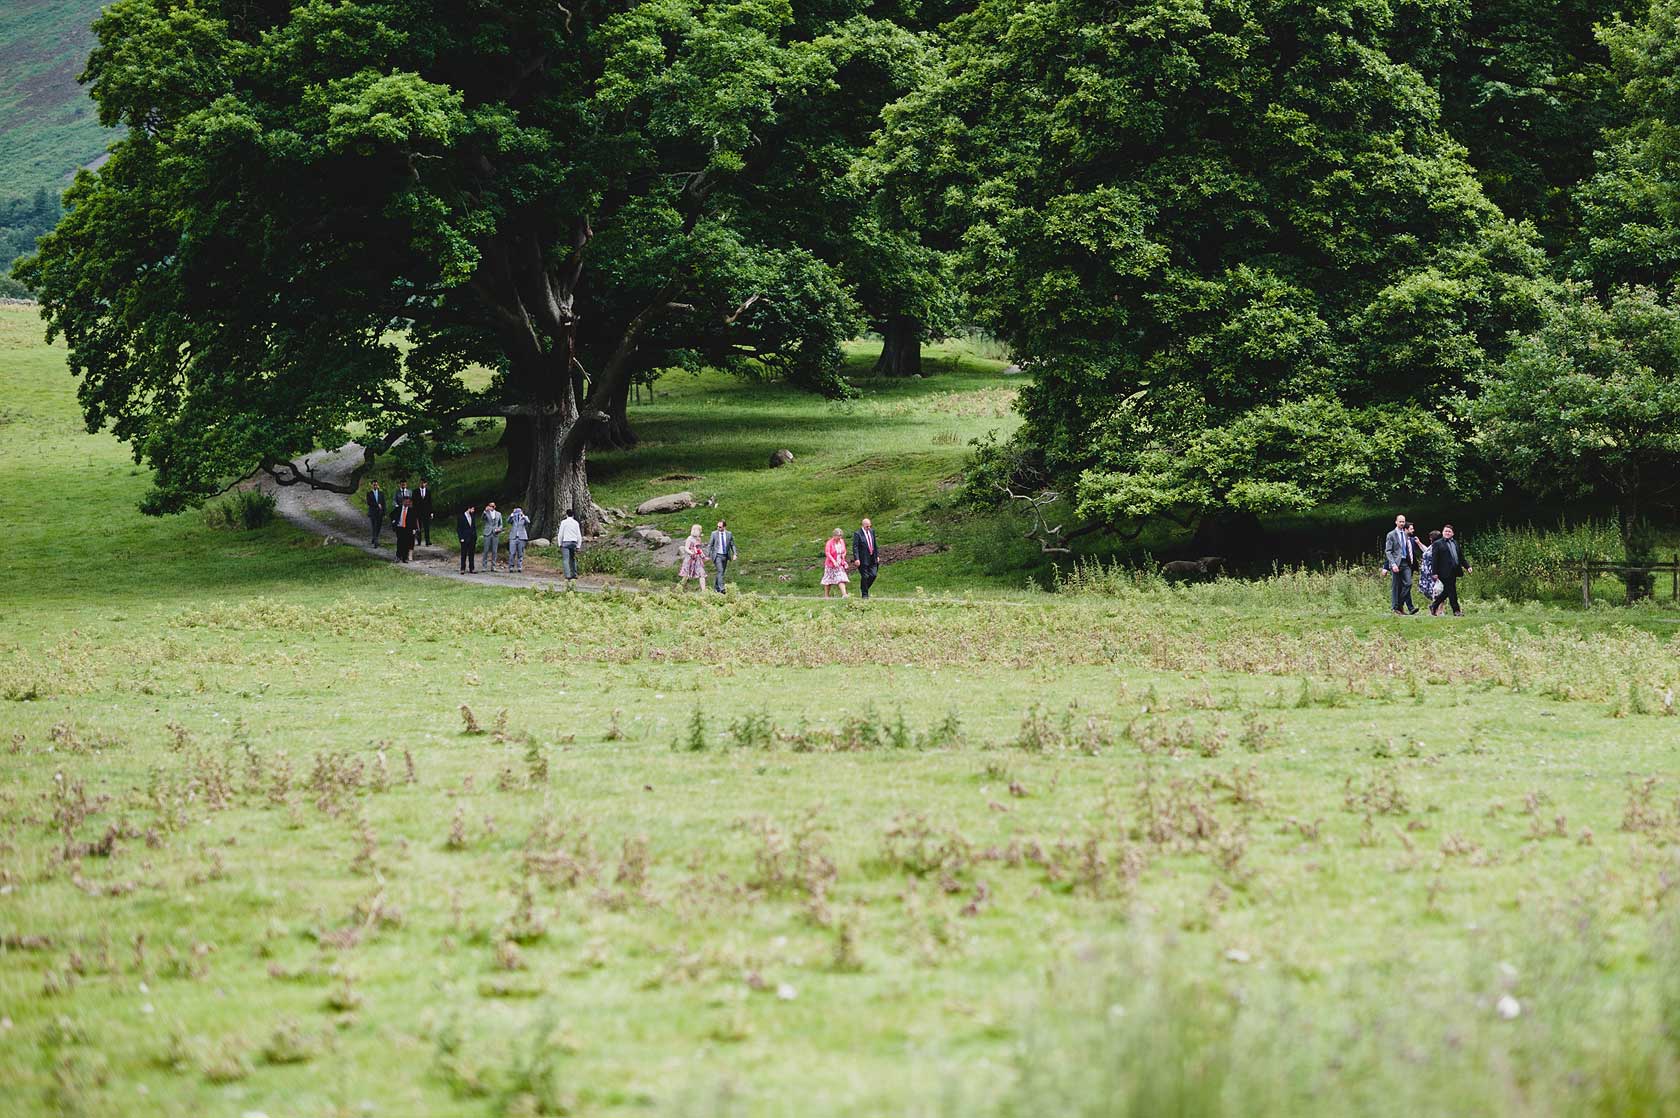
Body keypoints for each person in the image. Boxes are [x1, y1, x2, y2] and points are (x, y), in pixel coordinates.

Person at [1430, 524, 1472, 616]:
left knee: (1447, 591)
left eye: (1449, 531)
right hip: (1443, 571)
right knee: (1452, 590)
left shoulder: (1455, 543)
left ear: (1452, 533)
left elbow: (1461, 557)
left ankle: (1434, 605)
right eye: (1445, 531)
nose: (1447, 533)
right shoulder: (1438, 543)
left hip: (1454, 571)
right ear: (1443, 532)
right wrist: (1434, 572)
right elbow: (1434, 559)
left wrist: (1467, 566)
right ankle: (1456, 610)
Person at [1383, 513, 1411, 616]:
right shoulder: (1391, 534)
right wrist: (1393, 564)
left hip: (1405, 562)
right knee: (1396, 586)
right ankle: (1395, 608)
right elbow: (1388, 551)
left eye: (1403, 521)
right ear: (1396, 522)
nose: (1402, 523)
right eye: (1400, 521)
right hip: (1396, 563)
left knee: (1408, 584)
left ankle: (1399, 604)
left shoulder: (1405, 534)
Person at [852, 517, 880, 599]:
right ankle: (865, 594)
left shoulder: (872, 532)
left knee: (873, 575)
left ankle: (864, 588)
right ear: (863, 525)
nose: (869, 528)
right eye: (867, 526)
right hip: (863, 558)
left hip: (872, 557)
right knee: (865, 576)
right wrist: (856, 558)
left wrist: (877, 555)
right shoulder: (857, 534)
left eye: (869, 526)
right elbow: (855, 547)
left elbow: (875, 544)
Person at [707, 520, 737, 593]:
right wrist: (708, 555)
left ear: (724, 527)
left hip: (725, 555)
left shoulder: (729, 534)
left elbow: (732, 544)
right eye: (717, 526)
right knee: (720, 570)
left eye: (720, 527)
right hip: (717, 555)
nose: (718, 528)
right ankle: (721, 588)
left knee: (721, 572)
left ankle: (716, 587)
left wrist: (735, 554)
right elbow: (710, 545)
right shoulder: (714, 534)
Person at [822, 528, 850, 599]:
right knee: (828, 580)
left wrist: (843, 558)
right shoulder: (829, 543)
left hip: (839, 563)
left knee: (841, 578)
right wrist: (833, 561)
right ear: (834, 536)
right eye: (838, 536)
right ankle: (826, 596)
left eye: (840, 536)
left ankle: (844, 594)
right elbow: (827, 553)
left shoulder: (842, 541)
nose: (839, 537)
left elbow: (844, 551)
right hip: (830, 564)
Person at [557, 508, 583, 583]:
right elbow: (579, 535)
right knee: (573, 558)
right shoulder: (576, 523)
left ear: (566, 514)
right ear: (573, 515)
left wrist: (560, 543)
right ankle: (574, 574)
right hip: (574, 542)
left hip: (565, 542)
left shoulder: (563, 522)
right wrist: (578, 546)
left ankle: (567, 575)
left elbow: (560, 534)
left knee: (565, 559)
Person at [678, 524, 707, 590]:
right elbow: (686, 548)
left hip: (697, 559)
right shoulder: (689, 538)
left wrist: (703, 555)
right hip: (690, 559)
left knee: (701, 573)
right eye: (699, 530)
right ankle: (680, 587)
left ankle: (704, 591)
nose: (700, 532)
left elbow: (699, 548)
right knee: (687, 574)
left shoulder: (698, 539)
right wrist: (691, 552)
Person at [1419, 529, 1441, 612]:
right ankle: (1435, 608)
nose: (1429, 539)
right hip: (1427, 573)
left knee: (1437, 591)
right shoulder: (1432, 546)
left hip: (1434, 572)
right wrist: (1419, 543)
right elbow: (1426, 551)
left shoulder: (1438, 547)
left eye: (1431, 537)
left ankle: (1439, 610)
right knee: (1431, 591)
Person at [393, 496, 418, 562]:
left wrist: (414, 529)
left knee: (406, 543)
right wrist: (394, 521)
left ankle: (404, 557)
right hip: (400, 527)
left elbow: (414, 520)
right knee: (400, 542)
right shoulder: (398, 509)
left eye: (408, 502)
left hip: (408, 528)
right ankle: (398, 556)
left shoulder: (411, 510)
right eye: (406, 502)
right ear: (403, 501)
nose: (407, 503)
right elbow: (392, 515)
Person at [480, 501, 503, 572]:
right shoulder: (486, 512)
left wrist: (499, 528)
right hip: (487, 532)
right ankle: (484, 566)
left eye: (492, 506)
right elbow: (482, 519)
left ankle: (493, 566)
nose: (491, 507)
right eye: (490, 506)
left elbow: (501, 524)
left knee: (494, 551)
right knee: (486, 550)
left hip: (495, 533)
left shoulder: (499, 514)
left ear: (495, 506)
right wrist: (484, 511)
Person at [507, 505, 531, 573]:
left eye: (519, 511)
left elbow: (528, 522)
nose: (517, 513)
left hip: (521, 537)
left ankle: (519, 566)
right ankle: (511, 567)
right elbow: (508, 521)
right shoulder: (513, 518)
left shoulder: (524, 518)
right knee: (512, 553)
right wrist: (511, 515)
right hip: (513, 537)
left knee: (520, 553)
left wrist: (523, 516)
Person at [457, 505, 478, 573]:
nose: (473, 511)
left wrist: (475, 536)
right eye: (472, 509)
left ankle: (472, 568)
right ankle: (462, 568)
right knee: (464, 554)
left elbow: (474, 527)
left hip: (472, 538)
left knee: (471, 554)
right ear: (469, 509)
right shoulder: (461, 517)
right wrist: (461, 538)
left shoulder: (473, 516)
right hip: (465, 538)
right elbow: (459, 528)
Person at [414, 478, 434, 546]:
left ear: (426, 484)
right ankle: (419, 541)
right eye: (421, 483)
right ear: (419, 483)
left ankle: (427, 541)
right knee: (418, 527)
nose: (422, 484)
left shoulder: (428, 491)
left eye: (424, 483)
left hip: (426, 512)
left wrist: (431, 512)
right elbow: (414, 502)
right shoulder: (416, 491)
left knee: (426, 527)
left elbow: (430, 502)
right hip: (418, 512)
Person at [366, 482, 386, 547]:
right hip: (372, 512)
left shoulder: (381, 493)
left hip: (380, 512)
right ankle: (376, 540)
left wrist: (384, 512)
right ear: (372, 486)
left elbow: (383, 503)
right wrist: (377, 505)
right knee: (374, 526)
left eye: (376, 485)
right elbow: (369, 503)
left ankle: (374, 537)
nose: (375, 486)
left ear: (378, 485)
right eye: (374, 485)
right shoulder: (369, 493)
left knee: (379, 526)